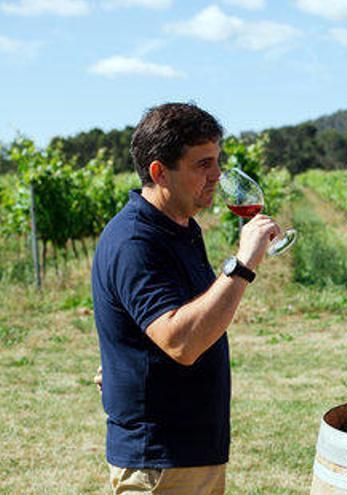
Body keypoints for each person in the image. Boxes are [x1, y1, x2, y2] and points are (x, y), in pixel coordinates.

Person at [92, 103, 281, 494]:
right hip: (161, 460)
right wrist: (243, 264)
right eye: (202, 165)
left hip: (193, 451)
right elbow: (181, 342)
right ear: (160, 172)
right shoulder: (134, 241)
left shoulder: (181, 228)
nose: (217, 176)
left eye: (217, 161)